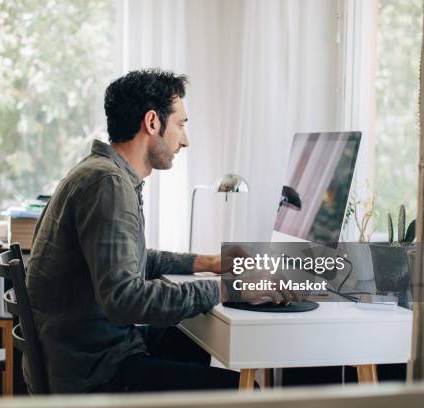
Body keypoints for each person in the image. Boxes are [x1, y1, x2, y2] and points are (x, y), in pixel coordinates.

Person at [27, 69, 285, 393]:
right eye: (180, 125)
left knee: (194, 339)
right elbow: (124, 299)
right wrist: (228, 288)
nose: (185, 140)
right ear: (152, 123)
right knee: (247, 393)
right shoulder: (108, 185)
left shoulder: (101, 174)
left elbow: (128, 262)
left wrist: (209, 263)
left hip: (87, 354)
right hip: (97, 374)